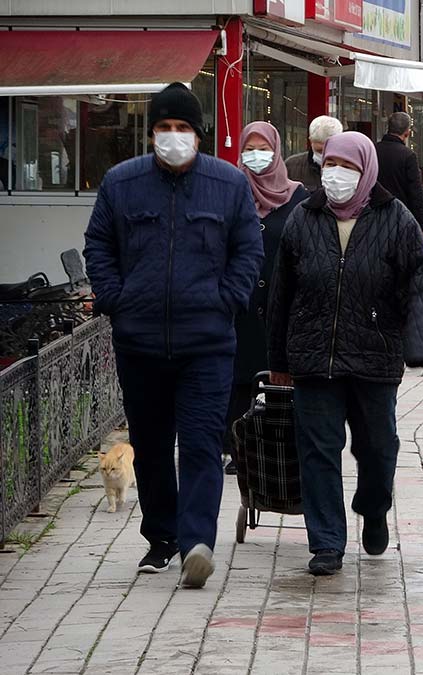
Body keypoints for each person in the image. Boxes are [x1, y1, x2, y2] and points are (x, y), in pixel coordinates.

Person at [82, 82, 264, 588]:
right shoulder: (122, 183)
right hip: (138, 342)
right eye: (164, 128)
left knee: (203, 442)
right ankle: (162, 538)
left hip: (206, 343)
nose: (173, 137)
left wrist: (227, 299)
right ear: (151, 134)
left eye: (183, 128)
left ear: (199, 136)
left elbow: (249, 250)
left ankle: (197, 543)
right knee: (152, 443)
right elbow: (98, 243)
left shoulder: (228, 185)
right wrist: (116, 298)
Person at [267, 131, 423, 576]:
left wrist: (418, 341)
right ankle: (326, 543)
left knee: (378, 448)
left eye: (348, 167)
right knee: (318, 451)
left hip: (374, 356)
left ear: (366, 171)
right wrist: (278, 360)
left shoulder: (396, 219)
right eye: (331, 165)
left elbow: (422, 282)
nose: (337, 175)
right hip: (313, 357)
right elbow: (282, 294)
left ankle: (374, 506)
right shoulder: (303, 218)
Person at [223, 121, 308, 475]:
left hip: (282, 305)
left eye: (263, 149)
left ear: (276, 151)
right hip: (239, 305)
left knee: (278, 380)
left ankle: (277, 447)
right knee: (238, 380)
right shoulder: (230, 192)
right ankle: (234, 448)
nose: (256, 156)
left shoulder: (298, 197)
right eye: (249, 149)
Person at [375, 112, 423, 231]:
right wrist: (420, 225)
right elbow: (415, 192)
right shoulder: (408, 155)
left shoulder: (373, 149)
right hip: (400, 217)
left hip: (374, 214)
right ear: (407, 133)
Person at [285, 115, 343, 191]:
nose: (325, 155)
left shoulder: (348, 167)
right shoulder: (291, 165)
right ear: (310, 140)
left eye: (329, 149)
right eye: (320, 150)